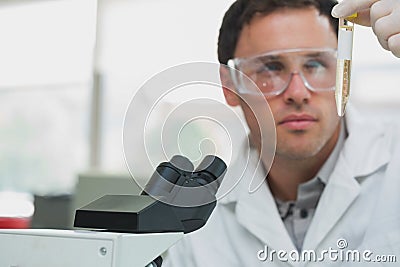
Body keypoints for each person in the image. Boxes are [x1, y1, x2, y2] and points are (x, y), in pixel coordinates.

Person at [163, 0, 400, 266]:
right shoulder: (196, 224)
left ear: (342, 68)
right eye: (270, 68)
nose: (298, 93)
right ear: (229, 85)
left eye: (316, 64)